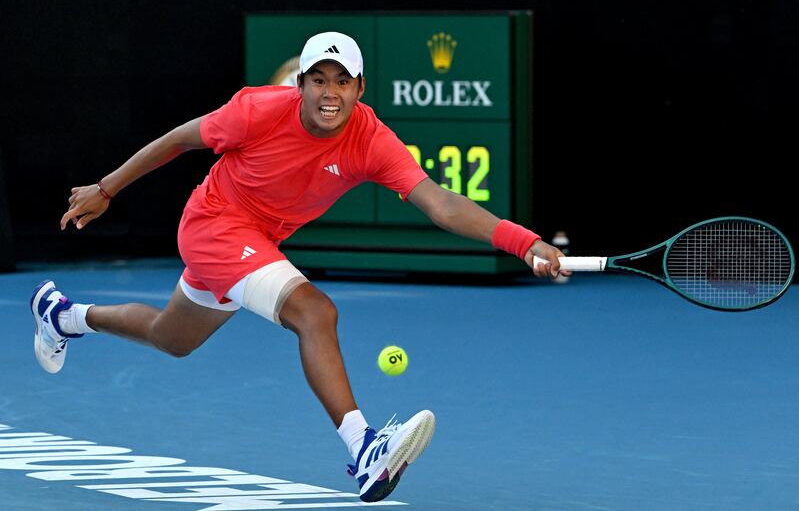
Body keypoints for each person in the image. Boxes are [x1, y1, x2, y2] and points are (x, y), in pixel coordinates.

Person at [30, 31, 568, 502]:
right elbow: (179, 140)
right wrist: (106, 189)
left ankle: (65, 316)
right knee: (314, 311)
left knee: (171, 337)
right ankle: (363, 450)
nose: (329, 92)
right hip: (214, 224)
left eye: (342, 80)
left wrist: (524, 243)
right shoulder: (258, 109)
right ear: (301, 84)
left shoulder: (372, 139)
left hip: (255, 241)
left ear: (360, 89)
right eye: (318, 79)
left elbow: (442, 203)